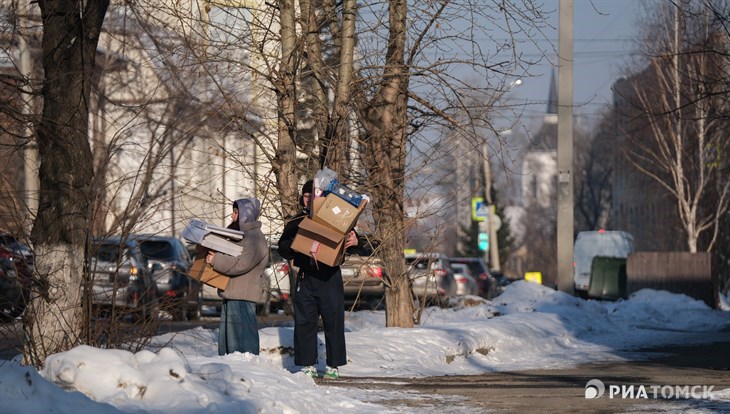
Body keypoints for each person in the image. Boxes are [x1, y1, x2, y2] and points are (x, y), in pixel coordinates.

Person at [277, 180, 362, 380]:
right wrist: (296, 245)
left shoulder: (335, 219)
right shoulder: (297, 221)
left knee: (333, 322)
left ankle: (333, 365)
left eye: (311, 196)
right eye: (305, 196)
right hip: (306, 278)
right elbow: (283, 247)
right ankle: (307, 364)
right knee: (305, 322)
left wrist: (356, 242)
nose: (308, 200)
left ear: (320, 199)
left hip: (330, 277)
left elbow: (355, 241)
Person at [205, 197, 269, 356]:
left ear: (246, 213)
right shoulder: (244, 234)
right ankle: (234, 371)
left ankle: (245, 371)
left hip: (242, 296)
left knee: (241, 343)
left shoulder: (254, 237)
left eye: (236, 212)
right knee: (230, 343)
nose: (232, 216)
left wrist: (216, 259)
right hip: (234, 293)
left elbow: (241, 264)